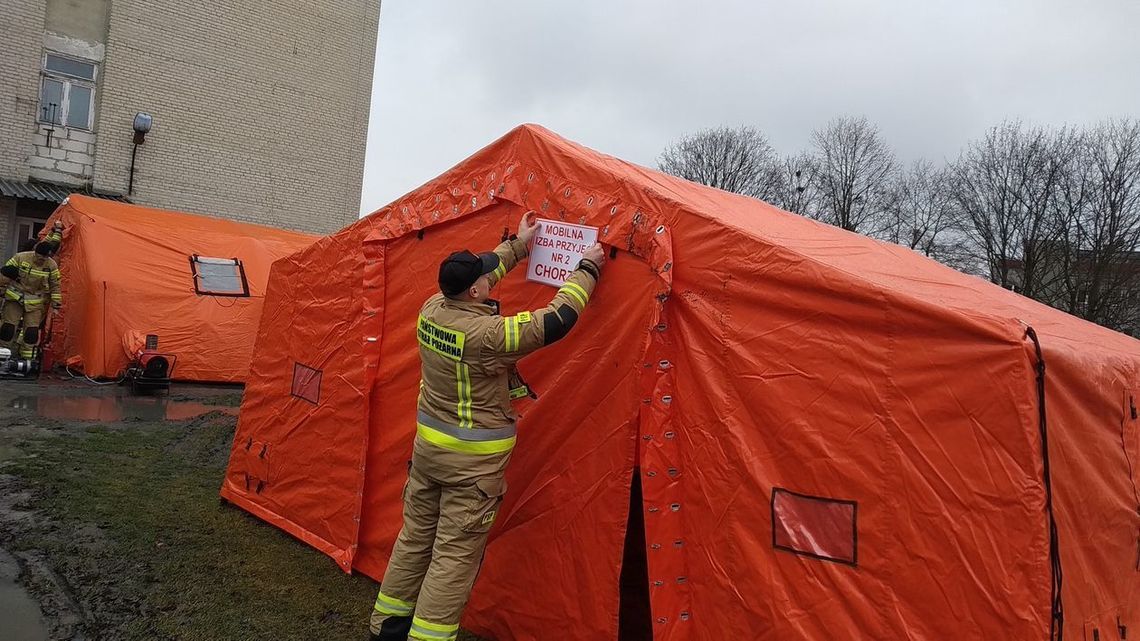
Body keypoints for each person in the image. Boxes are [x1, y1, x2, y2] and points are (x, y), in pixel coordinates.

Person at [369, 211, 605, 641]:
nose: (486, 279)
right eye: (481, 280)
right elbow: (555, 321)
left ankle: (386, 628)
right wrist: (587, 268)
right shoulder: (486, 336)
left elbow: (483, 274)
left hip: (428, 456)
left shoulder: (431, 308)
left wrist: (519, 243)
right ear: (473, 291)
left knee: (414, 541)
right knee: (453, 559)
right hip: (472, 469)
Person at [0, 238, 62, 360]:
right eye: (40, 256)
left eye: (45, 257)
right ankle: (3, 355)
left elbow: (55, 285)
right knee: (8, 328)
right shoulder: (20, 257)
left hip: (35, 304)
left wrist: (56, 305)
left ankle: (27, 359)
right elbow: (4, 274)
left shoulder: (51, 265)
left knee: (31, 332)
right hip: (15, 299)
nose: (42, 259)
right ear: (35, 252)